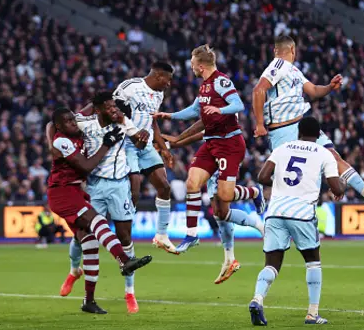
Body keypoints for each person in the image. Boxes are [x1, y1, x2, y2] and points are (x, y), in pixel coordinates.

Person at [153, 44, 265, 253]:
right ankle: (192, 235)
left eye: (193, 64)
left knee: (225, 196)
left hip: (229, 144)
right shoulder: (204, 86)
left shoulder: (221, 81)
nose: (191, 67)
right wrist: (170, 115)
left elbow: (238, 104)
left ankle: (253, 192)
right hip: (211, 143)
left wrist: (220, 109)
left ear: (201, 66)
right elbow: (195, 110)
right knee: (192, 183)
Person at [251, 35, 364, 205]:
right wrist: (259, 124)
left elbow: (313, 90)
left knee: (333, 156)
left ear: (275, 50)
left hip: (302, 125)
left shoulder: (294, 70)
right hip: (283, 130)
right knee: (290, 178)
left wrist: (329, 87)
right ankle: (260, 194)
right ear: (293, 50)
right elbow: (258, 90)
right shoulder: (279, 65)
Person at [47, 105, 152, 315]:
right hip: (63, 193)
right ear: (60, 126)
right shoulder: (62, 141)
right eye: (68, 122)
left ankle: (89, 301)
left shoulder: (78, 130)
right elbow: (85, 166)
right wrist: (105, 145)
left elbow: (84, 112)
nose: (73, 123)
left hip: (77, 192)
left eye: (73, 120)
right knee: (99, 223)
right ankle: (123, 260)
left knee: (90, 243)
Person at [248, 117, 345, 326]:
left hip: (276, 211)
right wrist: (341, 186)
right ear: (319, 135)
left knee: (272, 264)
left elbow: (262, 177)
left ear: (298, 132)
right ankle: (312, 313)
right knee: (313, 261)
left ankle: (257, 298)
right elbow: (337, 188)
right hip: (302, 212)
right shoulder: (323, 153)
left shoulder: (282, 148)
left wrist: (281, 185)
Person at [160, 121, 264, 284]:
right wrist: (172, 141)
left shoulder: (222, 101)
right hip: (213, 150)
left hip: (226, 151)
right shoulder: (208, 100)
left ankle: (254, 195)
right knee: (220, 212)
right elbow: (203, 128)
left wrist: (175, 141)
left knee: (223, 198)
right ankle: (230, 259)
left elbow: (202, 129)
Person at [113, 62, 178, 255]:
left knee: (165, 187)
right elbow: (115, 115)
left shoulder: (159, 94)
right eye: (168, 79)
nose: (169, 84)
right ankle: (125, 240)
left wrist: (164, 148)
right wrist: (133, 133)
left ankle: (162, 235)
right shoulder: (129, 87)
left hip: (146, 145)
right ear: (158, 76)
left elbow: (153, 122)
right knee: (134, 192)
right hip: (126, 144)